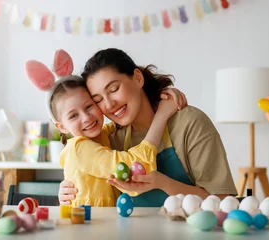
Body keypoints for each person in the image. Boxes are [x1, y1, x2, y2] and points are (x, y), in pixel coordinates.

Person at [58, 48, 238, 207]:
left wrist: (163, 183)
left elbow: (222, 201)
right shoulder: (113, 138)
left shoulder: (189, 123)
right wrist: (69, 190)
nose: (110, 104)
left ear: (137, 78)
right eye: (97, 100)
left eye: (114, 89)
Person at [25, 51, 183, 207]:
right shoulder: (80, 148)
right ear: (61, 126)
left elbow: (122, 118)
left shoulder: (102, 135)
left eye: (89, 106)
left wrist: (157, 96)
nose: (86, 118)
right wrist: (161, 115)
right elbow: (133, 166)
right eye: (73, 116)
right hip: (88, 223)